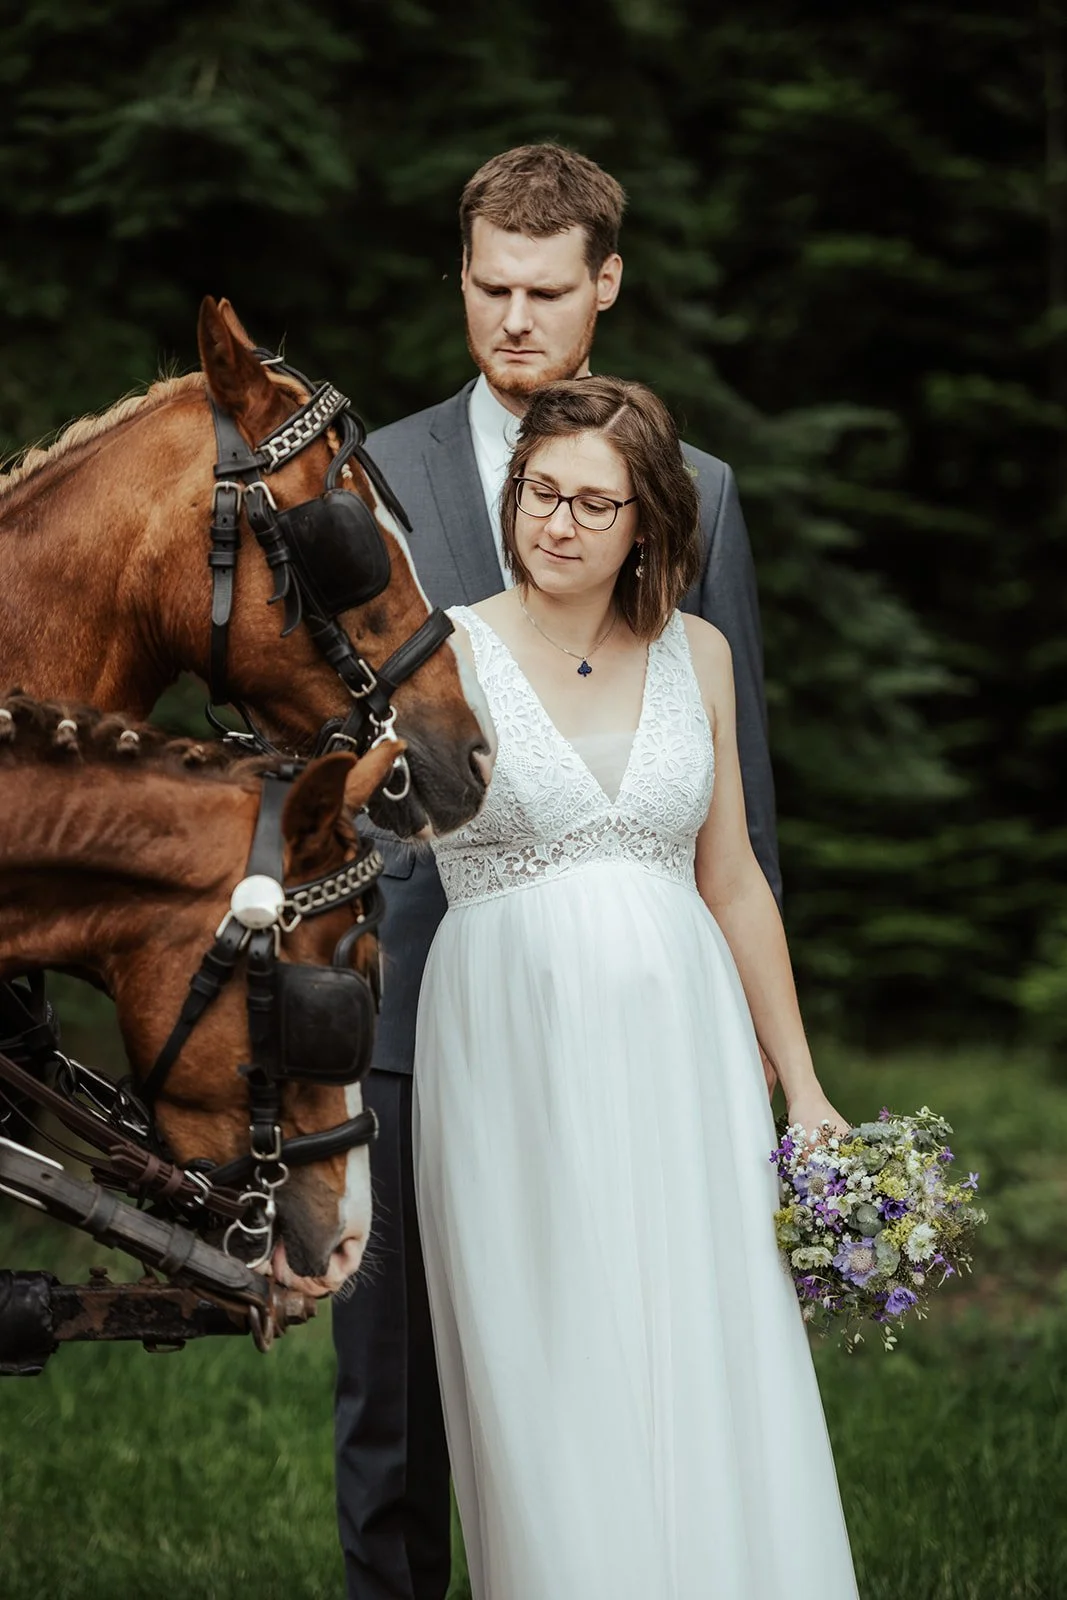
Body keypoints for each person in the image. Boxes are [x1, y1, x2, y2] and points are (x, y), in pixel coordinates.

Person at [332, 143, 780, 1600]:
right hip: (414, 993)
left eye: (543, 291)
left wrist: (753, 1052)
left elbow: (725, 800)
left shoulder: (693, 486)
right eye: (485, 289)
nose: (510, 320)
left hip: (642, 1023)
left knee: (637, 1352)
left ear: (604, 287)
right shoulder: (365, 475)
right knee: (392, 1403)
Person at [415, 375, 858, 1599]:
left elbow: (732, 883)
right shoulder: (439, 651)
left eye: (591, 504)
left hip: (685, 1045)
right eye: (539, 492)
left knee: (707, 1337)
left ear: (649, 525)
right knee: (548, 1358)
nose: (555, 523)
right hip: (505, 1040)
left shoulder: (697, 655)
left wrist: (804, 1086)